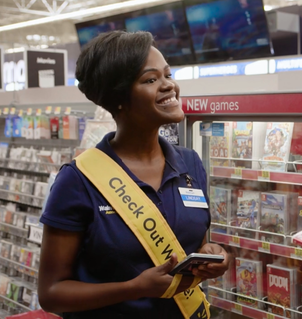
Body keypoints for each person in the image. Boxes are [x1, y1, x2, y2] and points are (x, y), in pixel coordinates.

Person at [38, 31, 230, 318]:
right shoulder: (78, 180)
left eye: (167, 74)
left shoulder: (189, 163)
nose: (169, 86)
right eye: (151, 80)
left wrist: (214, 255)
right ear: (119, 99)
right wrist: (133, 288)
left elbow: (195, 242)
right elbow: (51, 294)